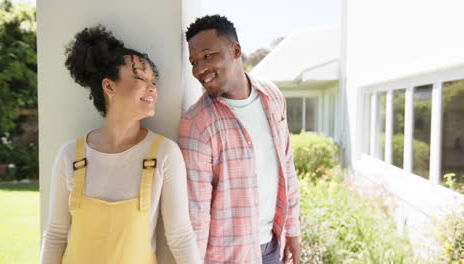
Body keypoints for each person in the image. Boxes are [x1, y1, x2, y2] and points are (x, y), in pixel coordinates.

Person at [39, 25, 201, 264]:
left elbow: (180, 237)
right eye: (140, 77)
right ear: (109, 86)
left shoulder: (163, 154)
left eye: (153, 81)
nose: (152, 88)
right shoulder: (70, 155)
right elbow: (55, 235)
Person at [178, 15, 301, 264]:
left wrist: (293, 230)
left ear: (235, 50)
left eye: (208, 55)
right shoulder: (197, 123)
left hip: (272, 247)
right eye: (194, 61)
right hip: (228, 257)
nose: (199, 69)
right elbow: (196, 214)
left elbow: (286, 167)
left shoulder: (273, 97)